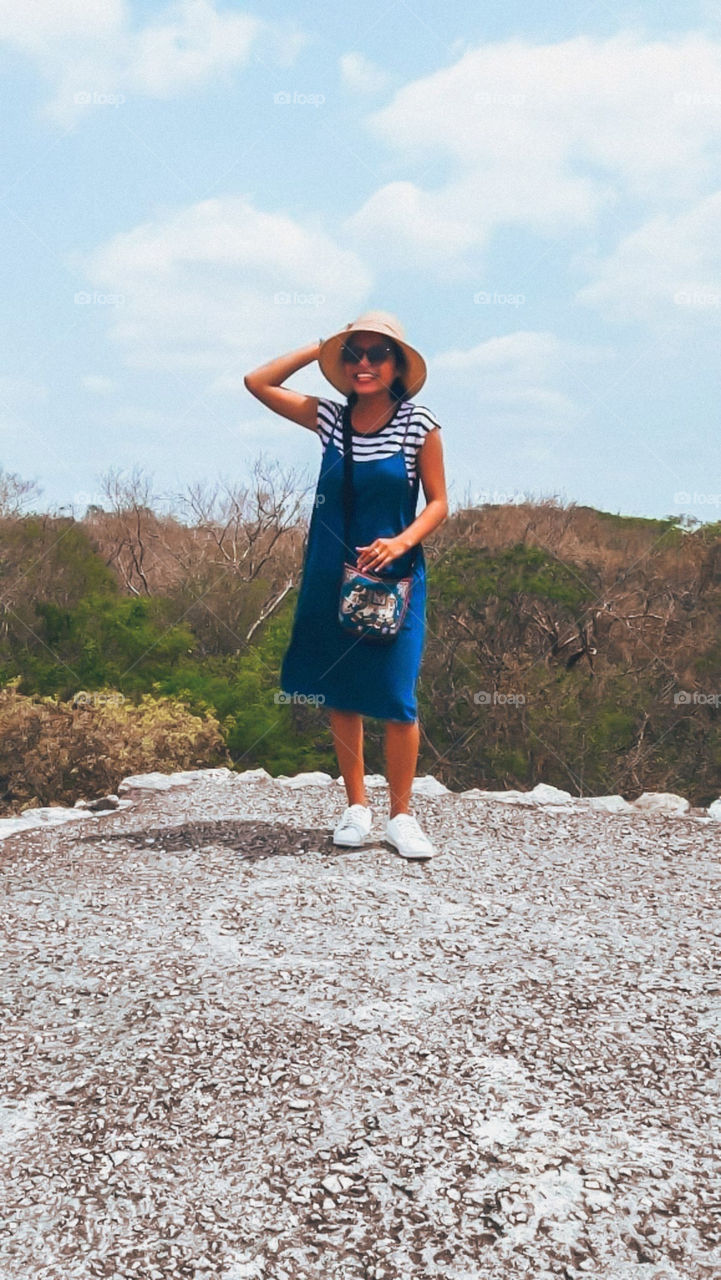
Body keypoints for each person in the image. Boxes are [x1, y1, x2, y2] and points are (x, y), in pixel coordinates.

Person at [244, 311, 448, 859]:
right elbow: (257, 383)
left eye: (377, 354)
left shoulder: (418, 422)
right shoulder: (331, 420)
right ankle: (356, 806)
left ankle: (401, 815)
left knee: (396, 692)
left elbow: (439, 503)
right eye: (353, 353)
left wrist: (401, 542)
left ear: (397, 364)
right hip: (329, 570)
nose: (363, 364)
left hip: (394, 572)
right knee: (340, 689)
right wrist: (319, 347)